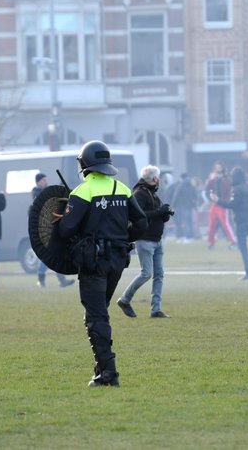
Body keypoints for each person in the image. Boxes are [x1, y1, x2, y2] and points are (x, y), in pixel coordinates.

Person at [55, 140, 147, 387]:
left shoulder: (83, 192)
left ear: (84, 164)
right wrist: (122, 238)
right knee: (99, 313)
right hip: (118, 261)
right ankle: (101, 367)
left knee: (96, 317)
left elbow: (66, 229)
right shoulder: (123, 189)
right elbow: (142, 223)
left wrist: (62, 217)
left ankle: (108, 374)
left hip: (93, 262)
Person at [117, 165, 173, 318]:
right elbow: (138, 215)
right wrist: (158, 212)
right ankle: (124, 299)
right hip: (145, 240)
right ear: (154, 179)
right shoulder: (140, 193)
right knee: (147, 273)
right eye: (158, 177)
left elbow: (154, 213)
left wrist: (164, 214)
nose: (159, 179)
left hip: (157, 240)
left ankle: (156, 309)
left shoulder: (152, 193)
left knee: (159, 274)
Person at [210, 166, 248, 280]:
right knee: (243, 246)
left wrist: (217, 201)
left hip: (241, 221)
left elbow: (233, 205)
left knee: (242, 247)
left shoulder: (236, 190)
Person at [33, 173, 74, 289]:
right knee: (48, 254)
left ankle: (60, 279)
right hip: (43, 229)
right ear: (38, 181)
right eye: (43, 180)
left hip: (51, 227)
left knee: (54, 253)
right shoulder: (36, 192)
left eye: (46, 179)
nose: (46, 181)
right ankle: (42, 278)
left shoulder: (45, 191)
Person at [205, 162, 237, 249]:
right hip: (214, 204)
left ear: (222, 168)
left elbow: (229, 191)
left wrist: (225, 202)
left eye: (219, 167)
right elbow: (207, 188)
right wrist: (210, 179)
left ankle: (233, 242)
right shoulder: (213, 177)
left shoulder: (226, 178)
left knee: (225, 224)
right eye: (216, 167)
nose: (217, 169)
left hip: (222, 204)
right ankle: (211, 243)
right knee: (211, 224)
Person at [172, 172, 201, 241]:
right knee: (188, 222)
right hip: (187, 206)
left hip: (183, 206)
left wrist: (173, 205)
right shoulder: (188, 185)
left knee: (185, 222)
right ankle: (189, 237)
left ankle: (187, 237)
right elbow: (195, 197)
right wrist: (195, 206)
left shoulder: (182, 184)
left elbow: (176, 195)